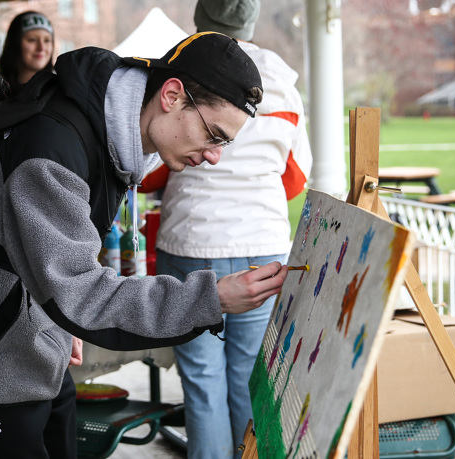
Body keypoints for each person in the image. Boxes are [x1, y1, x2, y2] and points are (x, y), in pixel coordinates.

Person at [0, 32, 288, 457]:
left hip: (27, 329)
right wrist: (210, 297)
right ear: (172, 95)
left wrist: (56, 310)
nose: (215, 156)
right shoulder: (54, 149)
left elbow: (62, 273)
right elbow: (80, 291)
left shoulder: (113, 129)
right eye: (214, 135)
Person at [141, 1, 312, 457]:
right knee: (249, 377)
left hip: (191, 239)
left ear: (201, 18)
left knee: (201, 381)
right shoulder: (282, 83)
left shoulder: (183, 68)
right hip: (263, 245)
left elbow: (151, 166)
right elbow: (295, 178)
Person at [0, 11, 55, 91]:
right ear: (14, 43)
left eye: (47, 40)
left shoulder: (64, 91)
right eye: (32, 40)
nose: (41, 47)